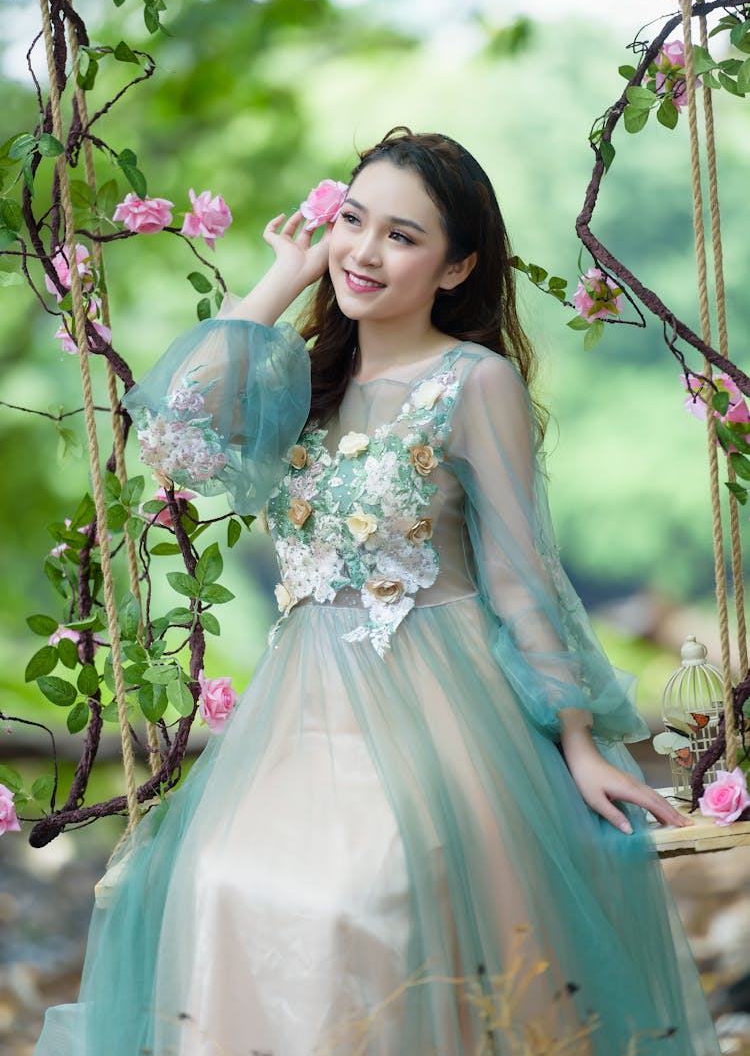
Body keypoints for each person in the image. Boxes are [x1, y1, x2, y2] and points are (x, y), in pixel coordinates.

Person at [35, 128, 719, 1055]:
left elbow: (523, 576)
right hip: (301, 711)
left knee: (363, 897)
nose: (365, 251)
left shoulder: (475, 384)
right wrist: (284, 276)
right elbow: (172, 435)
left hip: (441, 701)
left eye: (403, 235)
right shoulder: (301, 378)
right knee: (221, 877)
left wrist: (579, 740)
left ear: (456, 266)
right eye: (353, 221)